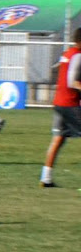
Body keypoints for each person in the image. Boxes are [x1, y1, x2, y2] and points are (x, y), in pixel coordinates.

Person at [39, 27, 81, 188]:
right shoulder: (78, 55)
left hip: (59, 102)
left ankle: (46, 178)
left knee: (58, 139)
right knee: (58, 139)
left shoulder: (66, 54)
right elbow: (72, 81)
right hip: (70, 104)